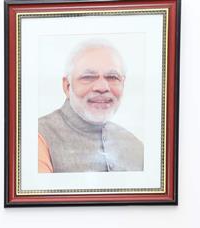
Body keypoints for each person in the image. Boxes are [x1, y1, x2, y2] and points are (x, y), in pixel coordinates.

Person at [37, 41, 144, 173]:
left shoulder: (136, 146)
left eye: (112, 77)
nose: (102, 87)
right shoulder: (38, 136)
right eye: (88, 77)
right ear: (67, 86)